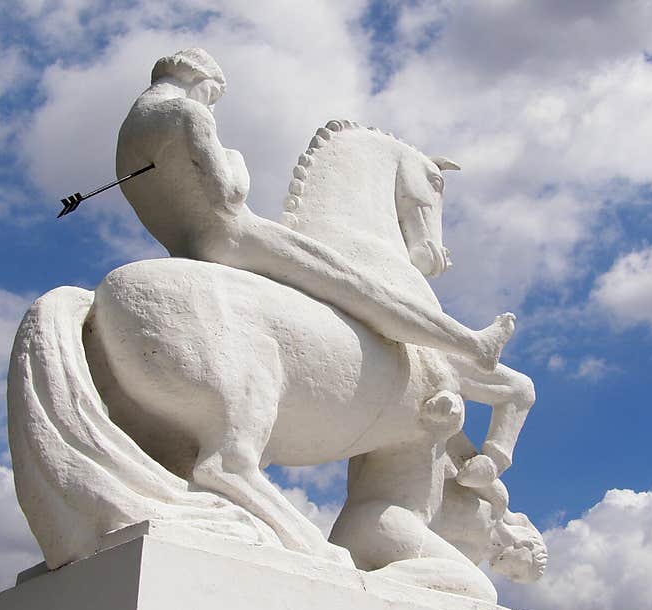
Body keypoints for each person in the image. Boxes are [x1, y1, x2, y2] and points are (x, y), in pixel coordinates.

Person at [116, 48, 514, 371]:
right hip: (230, 234)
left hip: (183, 247)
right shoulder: (190, 113)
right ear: (201, 82)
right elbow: (228, 194)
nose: (213, 108)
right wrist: (234, 159)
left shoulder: (128, 136)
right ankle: (473, 345)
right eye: (214, 97)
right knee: (358, 285)